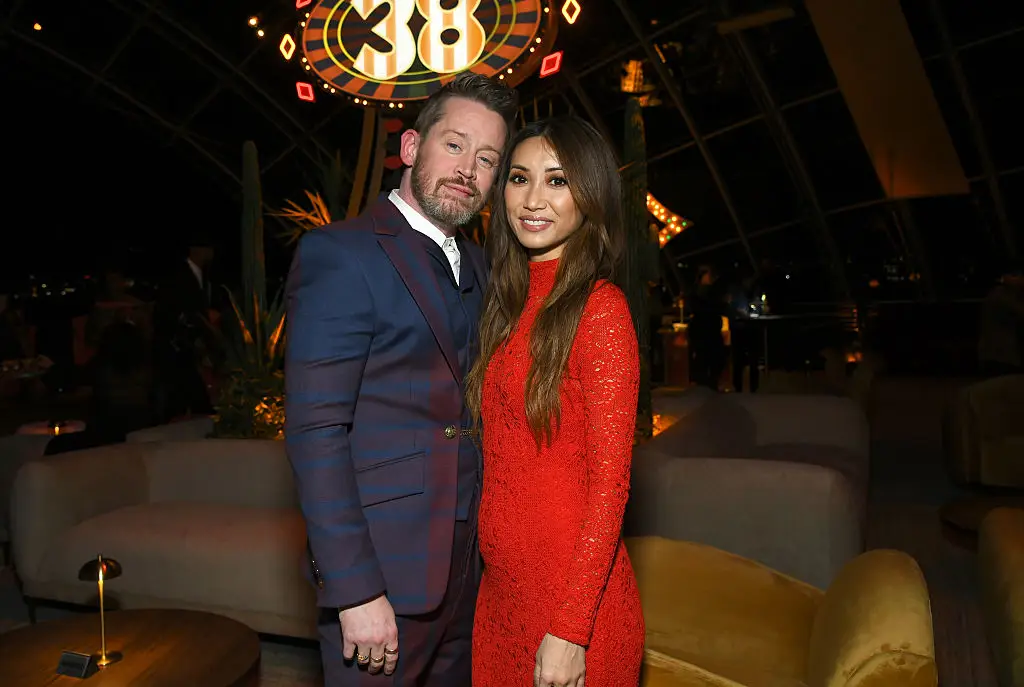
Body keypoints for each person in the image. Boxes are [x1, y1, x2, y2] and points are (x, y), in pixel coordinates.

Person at [284, 72, 518, 687]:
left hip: (467, 577)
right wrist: (355, 590)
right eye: (455, 144)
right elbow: (316, 431)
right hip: (382, 578)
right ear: (412, 149)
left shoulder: (483, 264)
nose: (469, 167)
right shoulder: (342, 253)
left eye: (487, 159)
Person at [465, 117, 644, 687]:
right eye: (519, 178)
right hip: (500, 599)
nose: (533, 199)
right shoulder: (509, 306)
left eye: (557, 181)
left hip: (572, 611)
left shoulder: (601, 310)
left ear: (588, 197)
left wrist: (570, 630)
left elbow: (611, 483)